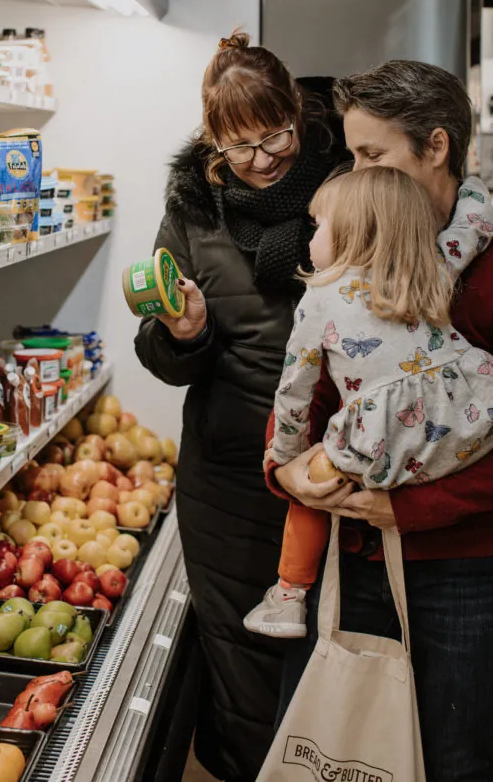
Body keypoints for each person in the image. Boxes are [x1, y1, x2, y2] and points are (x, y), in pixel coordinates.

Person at [266, 60, 493, 782]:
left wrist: (406, 505)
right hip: (350, 555)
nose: (355, 173)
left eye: (372, 155)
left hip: (462, 571)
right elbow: (312, 391)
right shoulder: (353, 252)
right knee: (332, 749)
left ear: (434, 147)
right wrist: (286, 471)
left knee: (453, 754)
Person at [134, 31, 347, 782]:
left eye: (275, 136)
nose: (261, 160)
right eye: (238, 146)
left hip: (337, 469)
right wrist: (182, 333)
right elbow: (157, 354)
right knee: (241, 649)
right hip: (228, 470)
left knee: (334, 646)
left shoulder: (347, 187)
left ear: (297, 112)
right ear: (210, 141)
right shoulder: (193, 208)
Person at [244, 165, 493, 639]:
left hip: (381, 441)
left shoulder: (319, 299)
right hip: (469, 419)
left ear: (352, 235)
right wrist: (474, 187)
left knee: (317, 484)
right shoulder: (430, 272)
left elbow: (294, 390)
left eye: (318, 226)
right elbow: (472, 228)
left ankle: (289, 593)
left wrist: (286, 459)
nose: (310, 238)